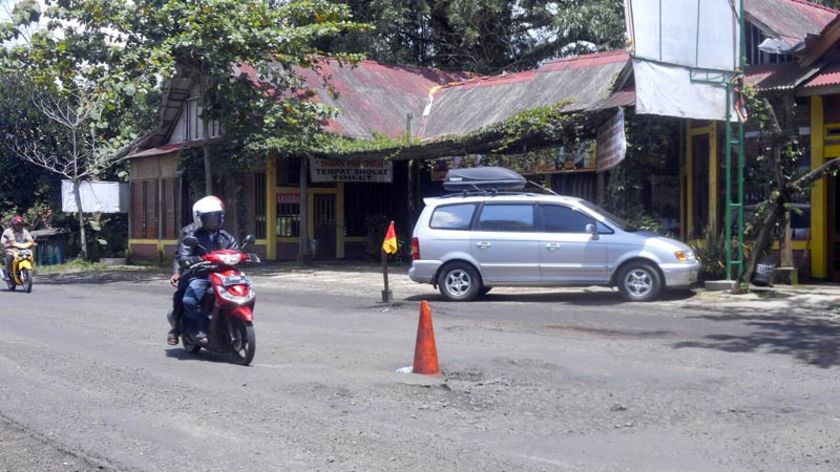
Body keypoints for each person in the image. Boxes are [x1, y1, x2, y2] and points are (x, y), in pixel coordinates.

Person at [177, 196, 239, 345]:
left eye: (216, 217)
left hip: (225, 276)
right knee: (189, 301)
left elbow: (235, 251)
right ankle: (203, 327)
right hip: (202, 276)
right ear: (200, 219)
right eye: (209, 218)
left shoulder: (226, 237)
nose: (213, 221)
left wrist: (246, 256)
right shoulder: (192, 237)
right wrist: (190, 260)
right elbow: (183, 256)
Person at [166, 220, 200, 346]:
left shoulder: (221, 232)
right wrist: (177, 273)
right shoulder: (188, 231)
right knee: (181, 294)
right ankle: (175, 330)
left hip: (215, 269)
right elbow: (178, 255)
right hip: (193, 270)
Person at [2, 215, 34, 282]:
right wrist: (6, 244)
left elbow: (30, 239)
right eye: (17, 224)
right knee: (9, 257)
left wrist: (33, 243)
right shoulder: (7, 231)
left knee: (30, 255)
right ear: (13, 225)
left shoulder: (24, 231)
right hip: (11, 250)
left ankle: (29, 270)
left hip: (23, 250)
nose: (19, 226)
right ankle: (8, 274)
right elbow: (2, 241)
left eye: (20, 224)